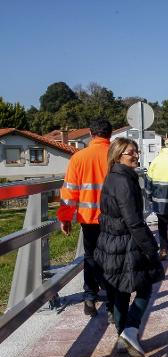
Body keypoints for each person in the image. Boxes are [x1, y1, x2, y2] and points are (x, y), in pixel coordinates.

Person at [94, 138, 164, 357]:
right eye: (130, 153)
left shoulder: (113, 177)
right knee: (146, 283)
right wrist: (151, 249)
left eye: (136, 152)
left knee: (120, 291)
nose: (136, 156)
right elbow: (133, 220)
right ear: (118, 156)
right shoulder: (124, 181)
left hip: (110, 242)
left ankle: (122, 336)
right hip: (126, 243)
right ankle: (131, 329)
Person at [57, 118, 113, 318]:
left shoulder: (78, 158)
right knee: (113, 257)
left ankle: (90, 297)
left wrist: (65, 218)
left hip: (88, 218)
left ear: (91, 134)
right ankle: (112, 295)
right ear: (110, 135)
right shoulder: (116, 156)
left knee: (90, 257)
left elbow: (69, 192)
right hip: (114, 218)